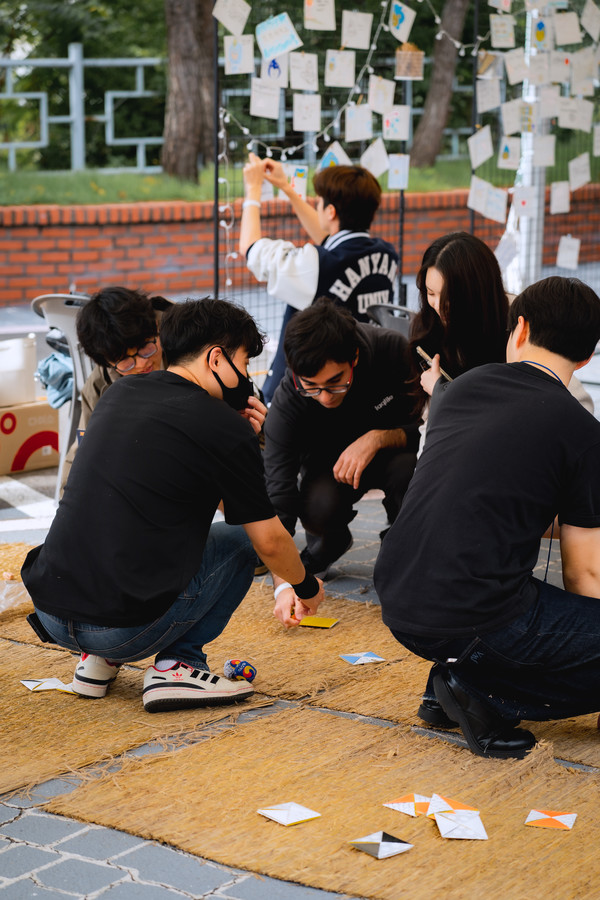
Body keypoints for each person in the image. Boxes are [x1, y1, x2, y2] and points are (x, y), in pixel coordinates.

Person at [22, 298, 325, 713]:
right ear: (216, 358)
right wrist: (305, 587)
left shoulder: (118, 393)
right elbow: (268, 538)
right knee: (239, 541)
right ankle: (178, 665)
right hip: (121, 628)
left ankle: (96, 664)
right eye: (243, 361)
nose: (246, 374)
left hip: (53, 613)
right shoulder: (221, 427)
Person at [374, 276, 600, 760]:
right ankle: (478, 693)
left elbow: (478, 501)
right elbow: (585, 573)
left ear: (518, 329)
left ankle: (446, 686)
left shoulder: (460, 390)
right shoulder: (581, 428)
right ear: (586, 358)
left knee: (496, 599)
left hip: (397, 595)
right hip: (472, 616)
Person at [263, 297, 419, 579]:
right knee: (316, 505)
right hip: (329, 469)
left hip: (397, 456)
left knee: (414, 474)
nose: (324, 397)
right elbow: (279, 493)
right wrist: (285, 580)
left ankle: (401, 544)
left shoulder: (393, 351)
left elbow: (432, 430)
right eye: (311, 386)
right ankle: (329, 542)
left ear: (355, 358)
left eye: (336, 383)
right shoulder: (288, 400)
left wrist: (378, 438)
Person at [411, 232, 593, 455]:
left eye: (449, 297)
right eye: (430, 293)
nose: (438, 306)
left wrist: (444, 393)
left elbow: (576, 405)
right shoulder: (430, 328)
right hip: (458, 448)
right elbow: (430, 423)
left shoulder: (520, 323)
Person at [240, 154, 399, 403]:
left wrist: (253, 190)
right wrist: (286, 187)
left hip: (308, 389)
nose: (316, 206)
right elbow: (330, 237)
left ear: (331, 211)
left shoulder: (314, 264)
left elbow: (250, 249)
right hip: (356, 380)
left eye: (319, 203)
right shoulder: (386, 253)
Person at [60, 286, 172, 487]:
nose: (140, 364)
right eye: (125, 361)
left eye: (145, 348)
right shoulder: (98, 385)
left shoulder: (189, 336)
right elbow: (85, 453)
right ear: (106, 362)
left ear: (156, 326)